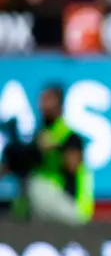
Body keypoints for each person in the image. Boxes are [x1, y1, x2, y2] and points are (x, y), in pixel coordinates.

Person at [2, 85, 94, 225]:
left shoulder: (70, 137)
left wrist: (55, 148)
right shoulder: (37, 137)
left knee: (34, 186)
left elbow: (72, 166)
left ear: (59, 104)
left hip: (73, 207)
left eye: (47, 100)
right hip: (46, 207)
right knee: (21, 191)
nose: (42, 105)